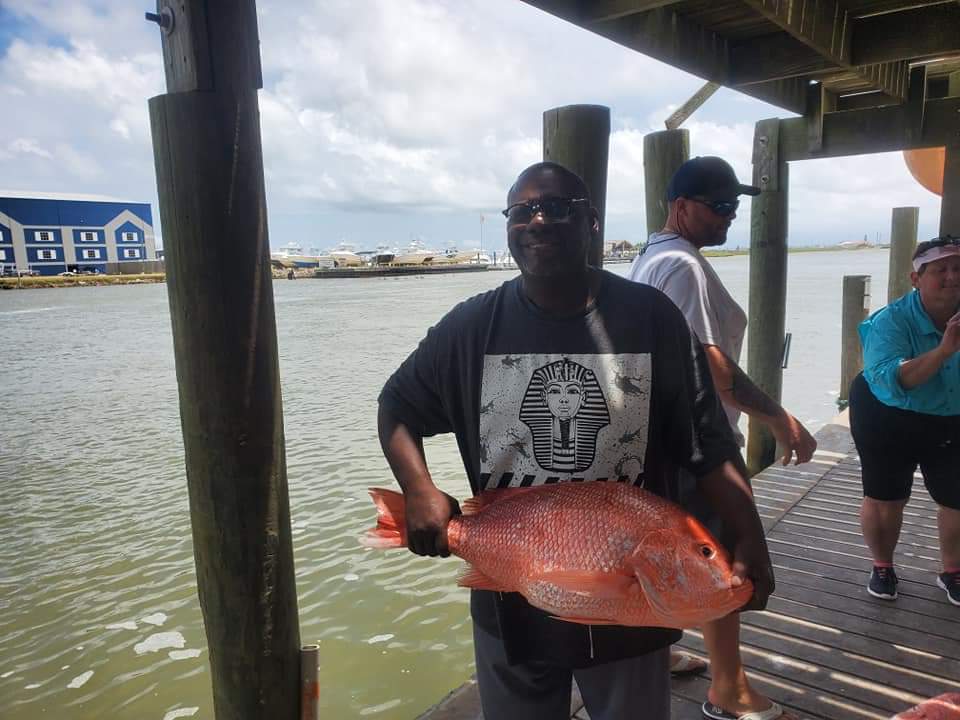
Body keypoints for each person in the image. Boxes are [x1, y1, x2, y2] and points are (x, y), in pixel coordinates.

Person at [377, 161, 775, 720]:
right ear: (508, 226)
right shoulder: (470, 327)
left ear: (591, 222)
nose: (538, 220)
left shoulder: (650, 318)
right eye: (522, 211)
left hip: (633, 604)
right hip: (510, 594)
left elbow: (709, 445)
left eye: (559, 208)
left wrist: (751, 537)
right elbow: (396, 405)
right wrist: (418, 489)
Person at [628, 156, 817, 720]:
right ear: (680, 206)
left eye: (736, 208)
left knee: (667, 553)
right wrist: (778, 418)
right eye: (720, 207)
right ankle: (728, 690)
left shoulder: (649, 258)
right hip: (697, 445)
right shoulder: (682, 266)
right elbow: (711, 366)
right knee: (721, 560)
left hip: (659, 439)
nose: (730, 219)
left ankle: (653, 653)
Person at [849, 236, 960, 608]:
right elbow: (896, 380)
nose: (952, 276)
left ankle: (953, 571)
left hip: (950, 411)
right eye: (940, 269)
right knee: (885, 497)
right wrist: (945, 350)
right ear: (916, 278)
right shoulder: (889, 321)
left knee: (957, 499)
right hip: (886, 411)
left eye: (959, 268)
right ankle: (882, 566)